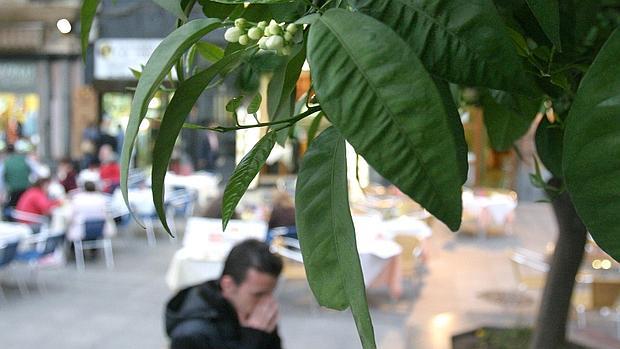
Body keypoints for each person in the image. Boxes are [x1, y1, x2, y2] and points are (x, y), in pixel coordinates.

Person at [165, 239, 283, 349]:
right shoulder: (192, 335)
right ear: (228, 286)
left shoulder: (254, 318)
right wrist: (253, 339)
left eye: (270, 293)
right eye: (258, 295)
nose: (267, 302)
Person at [3, 143, 32, 208]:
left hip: (13, 191)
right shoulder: (24, 159)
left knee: (11, 208)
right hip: (25, 188)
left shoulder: (6, 162)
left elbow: (2, 178)